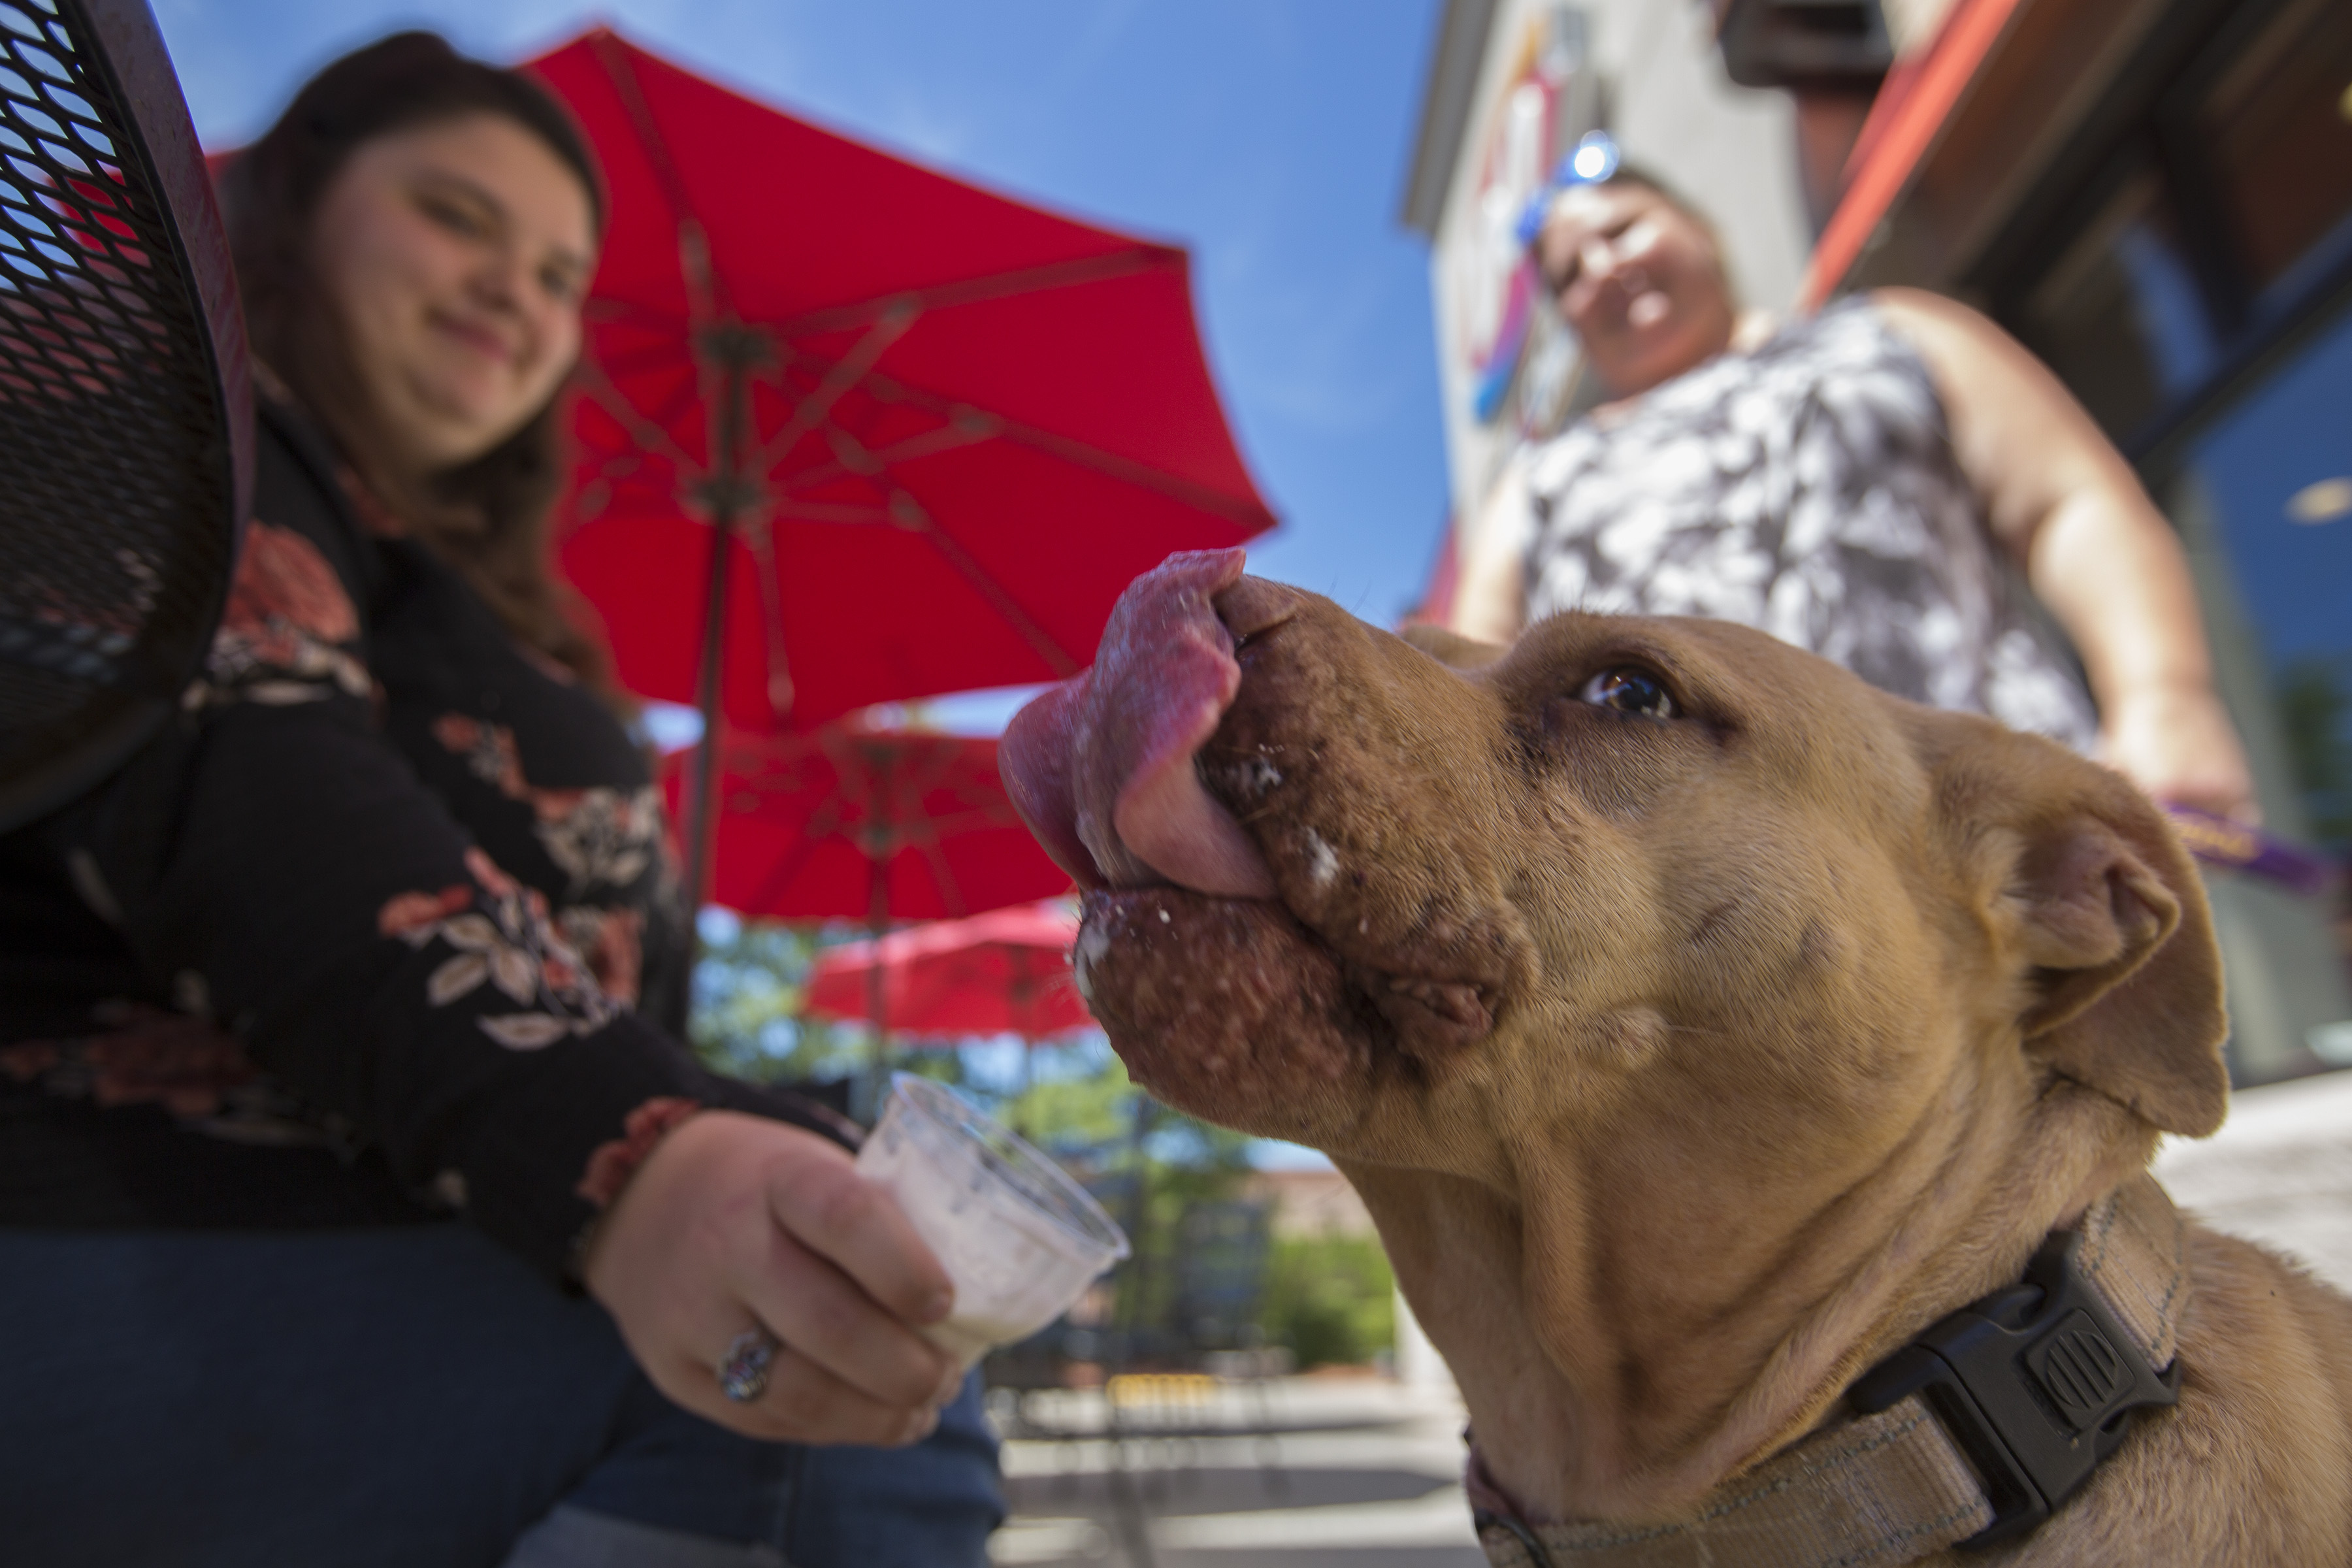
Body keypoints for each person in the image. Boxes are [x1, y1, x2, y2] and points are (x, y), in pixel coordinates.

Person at [0, 33, 1000, 1568]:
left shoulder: (479, 595)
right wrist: (642, 1152)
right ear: (293, 208)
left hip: (401, 1248)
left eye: (556, 277)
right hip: (116, 1227)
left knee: (849, 1317)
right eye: (457, 217)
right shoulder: (133, 413)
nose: (515, 297)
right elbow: (236, 767)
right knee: (822, 1412)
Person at [1449, 155, 2257, 825]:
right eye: (1570, 275)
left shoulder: (1893, 333)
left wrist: (2162, 695)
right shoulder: (1539, 481)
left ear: (1703, 230)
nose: (1605, 267)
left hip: (2005, 862)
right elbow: (1478, 692)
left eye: (1621, 229)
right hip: (1703, 948)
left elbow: (2068, 506)